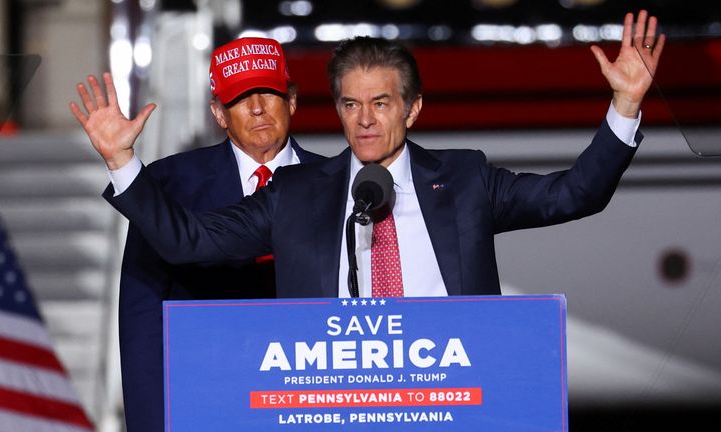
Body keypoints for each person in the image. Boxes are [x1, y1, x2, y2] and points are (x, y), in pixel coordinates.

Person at [73, 11, 664, 300]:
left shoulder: (462, 180)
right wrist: (124, 163)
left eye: (381, 103)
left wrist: (624, 108)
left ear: (412, 110)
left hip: (451, 402)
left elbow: (575, 193)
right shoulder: (300, 193)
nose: (364, 120)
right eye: (351, 104)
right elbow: (188, 243)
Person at [71, 37, 322, 431]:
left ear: (291, 101)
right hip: (210, 402)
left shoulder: (340, 184)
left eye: (268, 93)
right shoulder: (169, 185)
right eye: (240, 98)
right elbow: (143, 316)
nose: (257, 108)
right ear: (218, 114)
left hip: (311, 404)